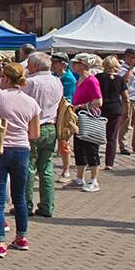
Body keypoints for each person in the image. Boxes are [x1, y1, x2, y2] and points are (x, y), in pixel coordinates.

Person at [0, 62, 40, 258]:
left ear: (5, 78)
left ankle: (0, 242)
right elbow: (34, 134)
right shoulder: (31, 102)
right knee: (19, 197)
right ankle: (21, 238)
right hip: (21, 150)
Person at [22, 52, 63, 218]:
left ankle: (25, 205)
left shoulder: (31, 82)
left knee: (29, 167)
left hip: (33, 126)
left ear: (35, 66)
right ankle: (47, 206)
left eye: (29, 65)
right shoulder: (57, 81)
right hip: (51, 127)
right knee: (46, 167)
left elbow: (21, 103)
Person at [69, 54, 104, 192]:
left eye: (76, 63)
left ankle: (94, 179)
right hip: (79, 117)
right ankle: (79, 177)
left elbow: (98, 101)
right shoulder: (80, 80)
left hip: (88, 117)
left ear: (83, 64)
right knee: (79, 147)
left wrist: (81, 106)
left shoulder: (91, 80)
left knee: (91, 148)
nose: (74, 65)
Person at [96, 56, 129, 171]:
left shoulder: (98, 77)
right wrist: (127, 111)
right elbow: (126, 98)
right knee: (112, 137)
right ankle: (109, 163)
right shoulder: (120, 79)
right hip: (115, 109)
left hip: (100, 108)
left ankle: (95, 160)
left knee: (96, 136)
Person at [52, 52, 77, 180]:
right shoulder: (54, 76)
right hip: (53, 113)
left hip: (64, 114)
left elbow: (67, 98)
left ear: (63, 64)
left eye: (55, 63)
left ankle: (66, 169)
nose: (52, 65)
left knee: (63, 142)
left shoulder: (68, 79)